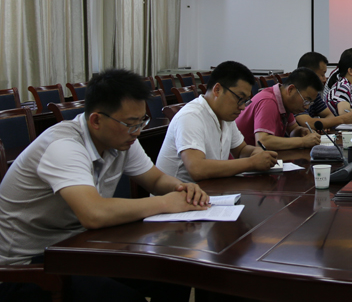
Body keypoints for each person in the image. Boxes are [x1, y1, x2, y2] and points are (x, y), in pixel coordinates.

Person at [0, 69, 209, 302]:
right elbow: (94, 214)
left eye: (142, 121)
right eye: (130, 123)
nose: (138, 131)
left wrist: (182, 188)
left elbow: (156, 180)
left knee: (174, 273)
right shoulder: (63, 146)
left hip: (78, 247)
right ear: (96, 120)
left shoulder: (122, 140)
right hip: (27, 267)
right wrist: (165, 203)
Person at [156, 61, 278, 183]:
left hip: (208, 190)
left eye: (245, 101)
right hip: (176, 193)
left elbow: (241, 150)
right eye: (240, 98)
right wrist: (251, 162)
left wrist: (255, 152)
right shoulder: (191, 117)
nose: (242, 107)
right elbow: (197, 169)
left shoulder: (225, 116)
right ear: (217, 90)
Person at [235, 67, 323, 150]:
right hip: (240, 158)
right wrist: (303, 141)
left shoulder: (284, 101)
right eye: (306, 100)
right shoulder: (268, 101)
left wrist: (301, 131)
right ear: (290, 90)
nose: (306, 107)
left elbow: (292, 129)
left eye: (310, 103)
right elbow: (262, 142)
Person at [294, 52, 352, 130]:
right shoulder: (296, 94)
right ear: (309, 74)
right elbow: (309, 123)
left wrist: (325, 124)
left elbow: (329, 115)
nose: (324, 79)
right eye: (322, 75)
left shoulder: (314, 94)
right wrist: (342, 119)